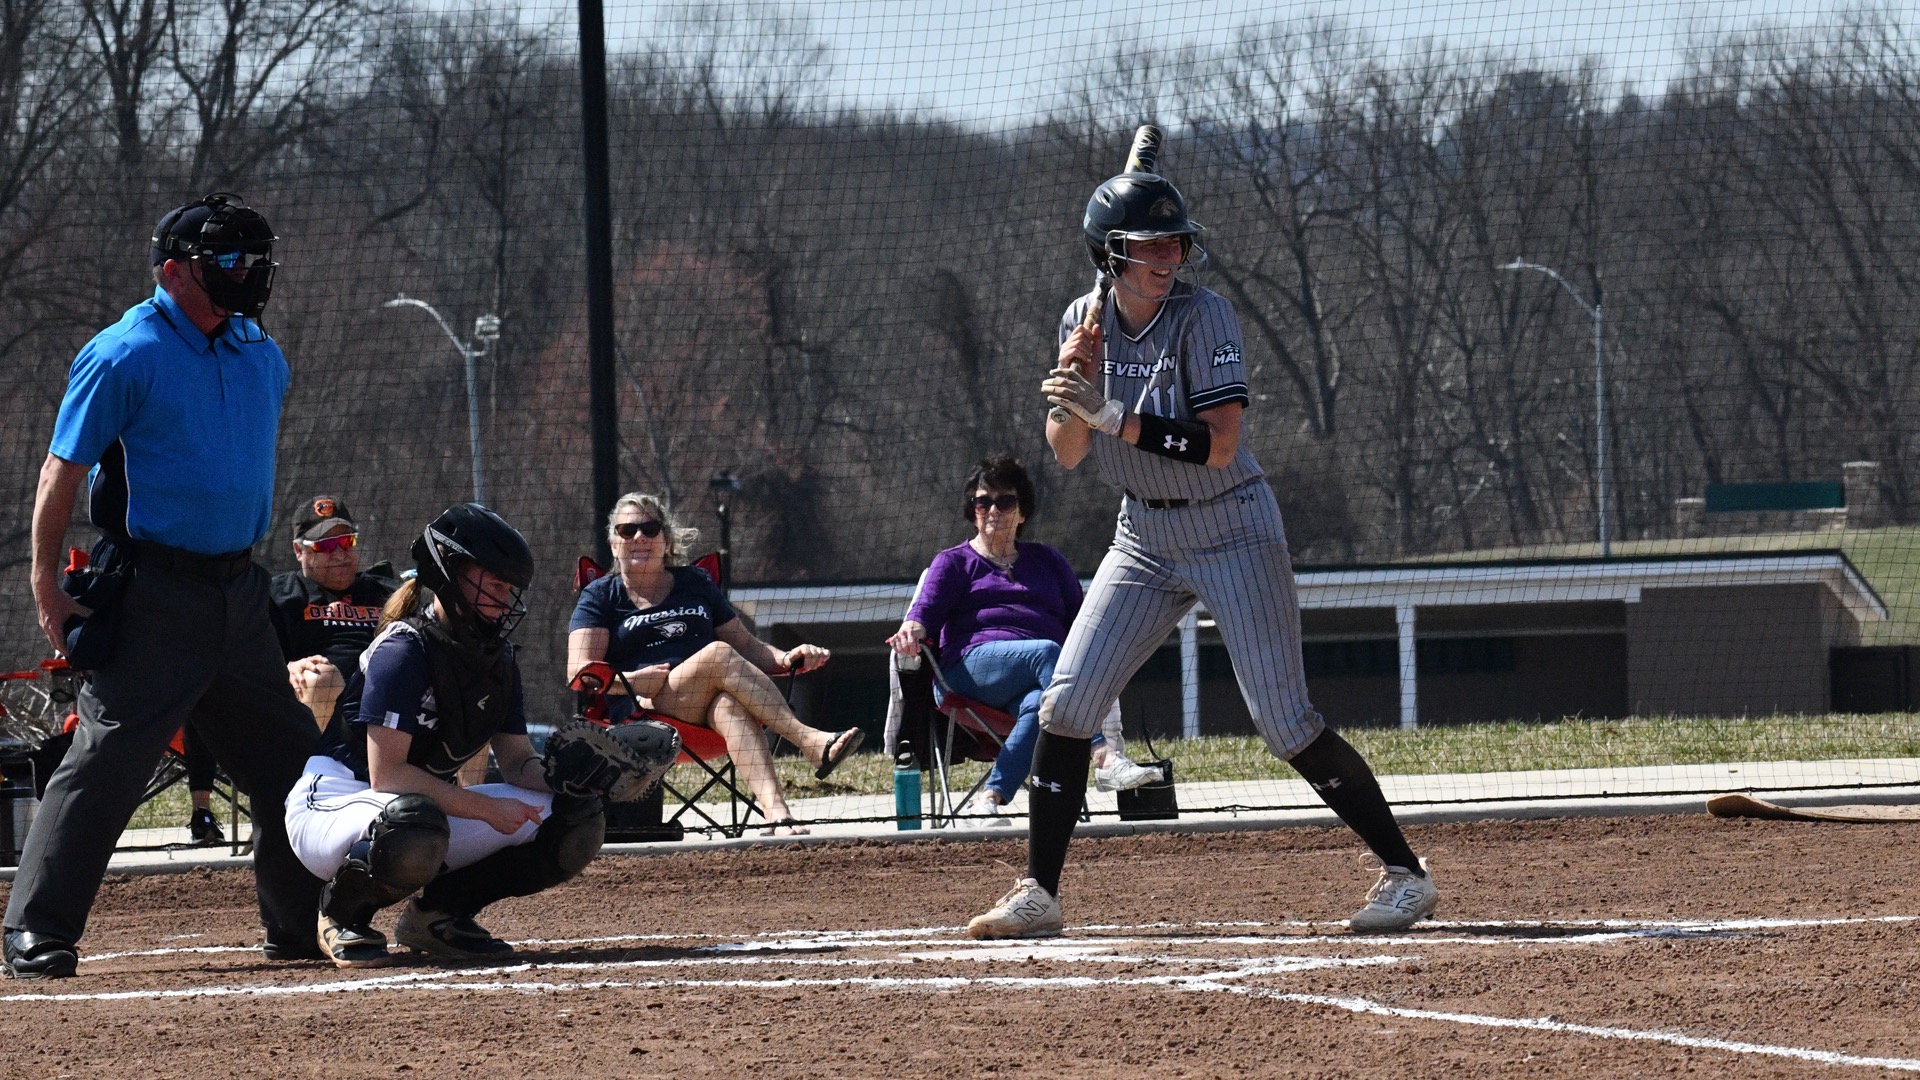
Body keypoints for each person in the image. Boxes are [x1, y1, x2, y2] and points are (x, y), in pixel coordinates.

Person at [967, 166, 1438, 939]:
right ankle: (1039, 894)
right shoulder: (1082, 318)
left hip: (1232, 525)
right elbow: (1067, 452)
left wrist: (1113, 415)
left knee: (1286, 723)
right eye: (1150, 246)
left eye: (1176, 244)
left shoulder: (1205, 315)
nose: (1169, 258)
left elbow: (1219, 446)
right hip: (1143, 537)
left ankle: (1406, 875)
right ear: (1110, 254)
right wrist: (1075, 388)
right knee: (1067, 706)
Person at [7, 192, 325, 978]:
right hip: (153, 592)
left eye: (257, 259)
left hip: (240, 592)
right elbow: (60, 472)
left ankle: (298, 926)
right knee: (108, 763)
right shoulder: (124, 352)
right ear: (174, 270)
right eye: (230, 260)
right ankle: (35, 929)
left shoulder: (261, 352)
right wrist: (46, 584)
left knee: (292, 764)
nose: (249, 274)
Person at [285, 503, 609, 968]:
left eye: (508, 588)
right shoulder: (404, 648)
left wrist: (579, 779)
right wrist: (486, 808)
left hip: (417, 807)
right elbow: (387, 775)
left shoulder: (498, 658)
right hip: (335, 801)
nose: (504, 599)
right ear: (451, 575)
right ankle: (341, 914)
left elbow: (518, 762)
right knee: (414, 820)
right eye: (493, 584)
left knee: (575, 816)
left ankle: (437, 916)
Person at [567, 493, 864, 835]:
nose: (639, 537)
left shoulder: (695, 583)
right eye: (627, 530)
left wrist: (786, 657)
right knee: (718, 654)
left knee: (729, 706)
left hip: (702, 709)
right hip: (644, 709)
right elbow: (579, 672)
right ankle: (809, 741)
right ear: (613, 542)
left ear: (666, 539)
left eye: (649, 529)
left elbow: (747, 646)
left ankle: (778, 814)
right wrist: (632, 681)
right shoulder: (601, 595)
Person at [886, 454, 1162, 821]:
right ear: (972, 510)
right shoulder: (953, 562)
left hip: (1035, 677)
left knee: (1038, 705)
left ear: (1022, 512)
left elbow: (1082, 624)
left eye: (1005, 501)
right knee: (1047, 653)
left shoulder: (1049, 562)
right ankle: (1103, 755)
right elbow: (924, 614)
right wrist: (911, 630)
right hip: (967, 671)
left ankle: (989, 799)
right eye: (983, 502)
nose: (992, 510)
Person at [270, 496, 398, 729]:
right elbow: (251, 658)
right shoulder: (277, 596)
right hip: (313, 704)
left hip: (385, 700)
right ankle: (317, 754)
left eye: (346, 541)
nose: (339, 554)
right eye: (325, 546)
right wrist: (285, 668)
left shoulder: (389, 593)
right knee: (319, 678)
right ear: (298, 550)